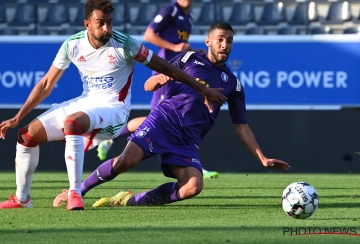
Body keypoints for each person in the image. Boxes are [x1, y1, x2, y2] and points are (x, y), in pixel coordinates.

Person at [0, 0, 226, 211]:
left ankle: (75, 193)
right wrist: (17, 116)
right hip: (87, 101)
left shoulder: (125, 45)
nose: (107, 28)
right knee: (26, 136)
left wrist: (202, 88)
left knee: (73, 122)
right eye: (101, 23)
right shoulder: (72, 45)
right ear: (87, 24)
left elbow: (168, 69)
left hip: (115, 108)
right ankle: (22, 199)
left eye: (110, 22)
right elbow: (46, 84)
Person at [52, 22, 290, 209]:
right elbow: (149, 84)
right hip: (163, 121)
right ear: (208, 41)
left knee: (193, 187)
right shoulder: (189, 59)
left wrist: (261, 157)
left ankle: (128, 201)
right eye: (220, 39)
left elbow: (241, 126)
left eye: (229, 41)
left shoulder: (234, 85)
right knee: (126, 162)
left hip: (188, 140)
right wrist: (160, 78)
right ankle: (77, 191)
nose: (224, 45)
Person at [96, 0, 219, 179]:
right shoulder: (170, 10)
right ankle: (110, 137)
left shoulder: (188, 17)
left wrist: (189, 50)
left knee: (166, 119)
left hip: (178, 73)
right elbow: (149, 35)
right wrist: (174, 47)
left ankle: (111, 138)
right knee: (157, 119)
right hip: (165, 75)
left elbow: (179, 44)